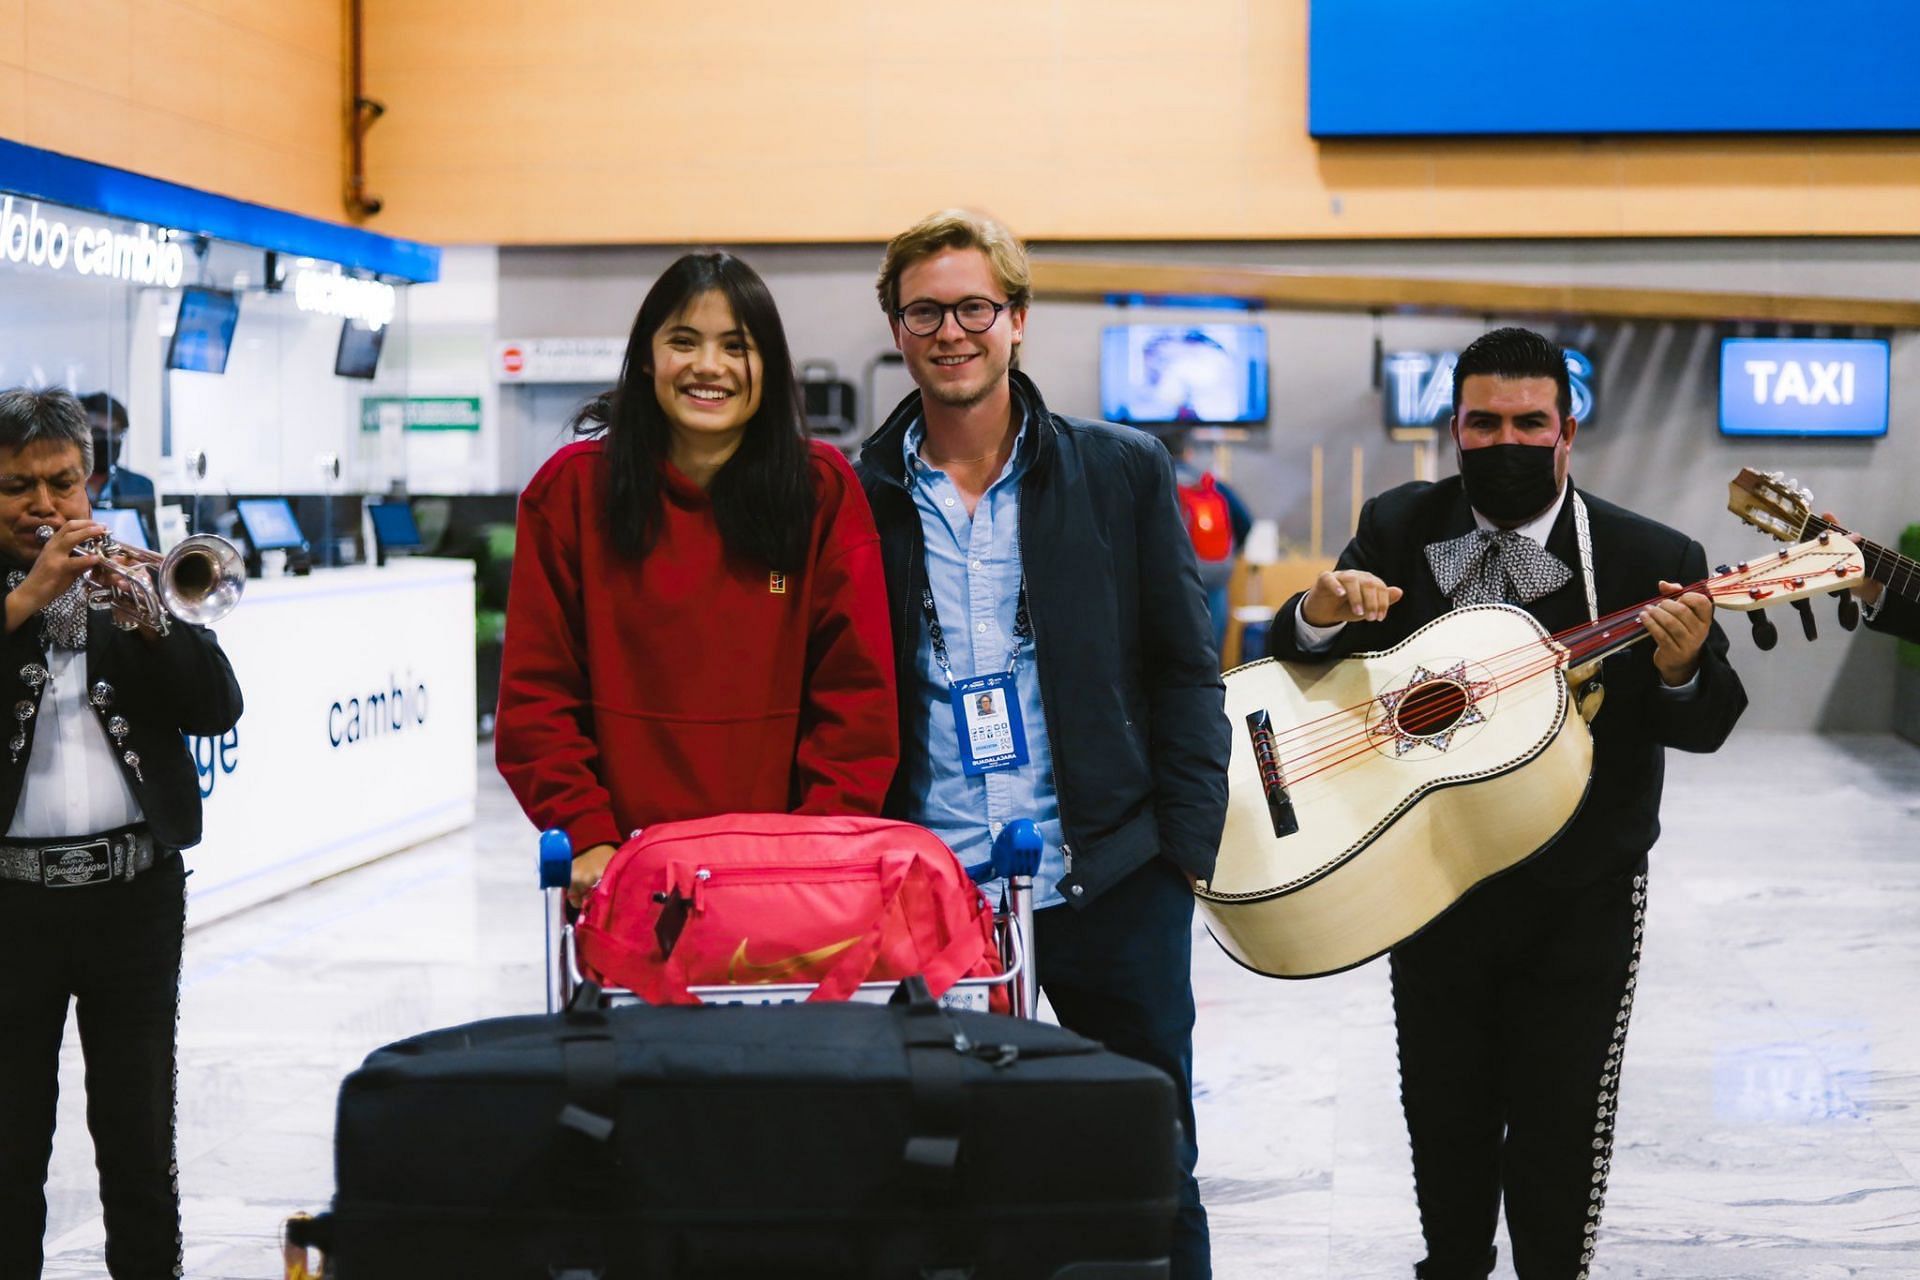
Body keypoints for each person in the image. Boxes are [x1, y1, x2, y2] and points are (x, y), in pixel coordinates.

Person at [1267, 328, 1747, 1279]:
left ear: (1569, 432)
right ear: (1455, 428)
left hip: (1582, 892)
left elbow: (1708, 722)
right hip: (1430, 883)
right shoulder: (1399, 523)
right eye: (1485, 422)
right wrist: (1322, 609)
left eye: (1532, 422)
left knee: (1561, 1128)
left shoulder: (1651, 551)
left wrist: (1683, 665)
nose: (1508, 440)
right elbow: (1303, 660)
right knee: (1442, 1116)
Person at [856, 210, 1229, 1280]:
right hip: (927, 891)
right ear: (896, 327)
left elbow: (1182, 667)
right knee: (932, 1166)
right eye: (925, 310)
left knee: (1149, 1161)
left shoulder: (1118, 471)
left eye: (975, 306)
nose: (952, 330)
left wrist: (1182, 849)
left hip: (1105, 874)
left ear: (1017, 320)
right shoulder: (853, 490)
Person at [496, 252, 898, 902]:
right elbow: (536, 701)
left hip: (789, 882)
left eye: (735, 346)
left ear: (767, 365)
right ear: (648, 358)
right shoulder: (570, 492)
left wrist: (816, 846)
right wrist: (589, 835)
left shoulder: (820, 491)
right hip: (624, 879)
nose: (708, 366)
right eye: (684, 341)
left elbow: (857, 702)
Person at [0, 387, 243, 1279]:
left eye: (62, 483)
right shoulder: (18, 586)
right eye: (16, 487)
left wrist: (149, 621)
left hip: (133, 899)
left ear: (91, 481)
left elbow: (217, 709)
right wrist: (30, 596)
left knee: (139, 1138)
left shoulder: (133, 581)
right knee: (7, 1147)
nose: (44, 505)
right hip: (9, 906)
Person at [77, 393, 156, 506]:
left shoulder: (140, 487)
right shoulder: (60, 486)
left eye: (114, 432)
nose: (107, 440)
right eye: (98, 433)